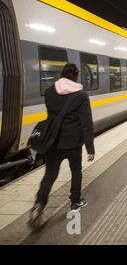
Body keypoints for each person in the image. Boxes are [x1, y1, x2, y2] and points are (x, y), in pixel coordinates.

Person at [29, 63, 95, 227]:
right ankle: (75, 201)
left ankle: (39, 204)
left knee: (50, 175)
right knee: (76, 170)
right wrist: (90, 149)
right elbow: (86, 124)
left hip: (53, 141)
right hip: (73, 143)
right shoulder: (81, 96)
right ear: (77, 76)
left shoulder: (49, 92)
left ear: (62, 75)